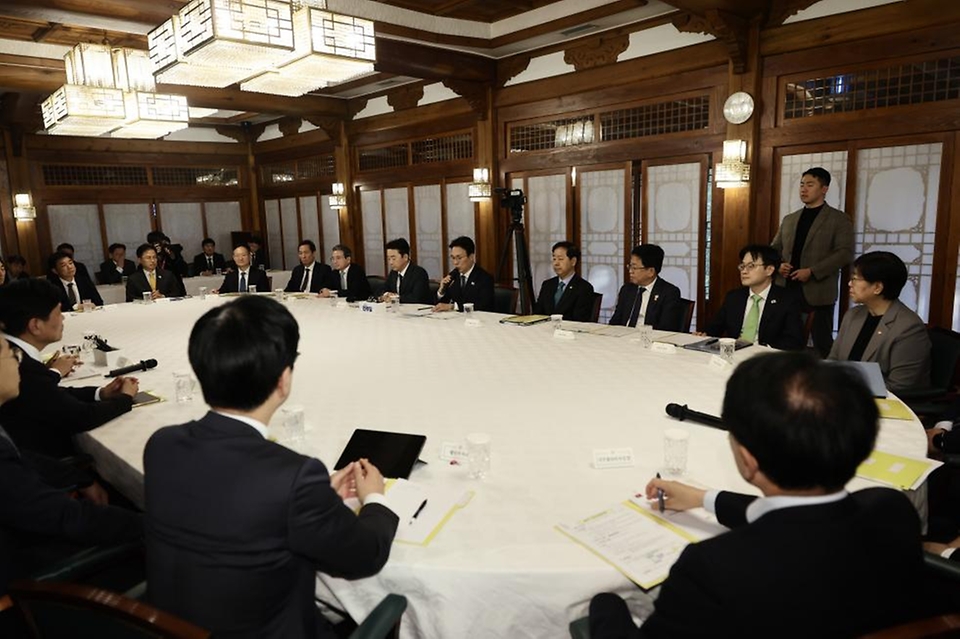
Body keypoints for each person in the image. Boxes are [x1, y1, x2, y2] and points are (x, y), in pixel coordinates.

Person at [589, 351, 928, 638]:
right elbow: (803, 520)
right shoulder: (892, 511)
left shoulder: (712, 569)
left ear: (748, 461)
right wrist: (704, 498)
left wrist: (605, 605)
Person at [144, 295, 399, 638]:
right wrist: (375, 500)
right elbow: (365, 556)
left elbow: (236, 503)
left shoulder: (161, 445)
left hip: (171, 627)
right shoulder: (294, 477)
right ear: (284, 381)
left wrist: (318, 500)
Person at [0, 336, 141, 600]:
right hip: (29, 583)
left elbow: (23, 458)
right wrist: (155, 525)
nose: (18, 365)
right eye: (12, 356)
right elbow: (67, 517)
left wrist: (80, 478)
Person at [0, 279, 138, 458]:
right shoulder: (16, 364)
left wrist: (100, 393)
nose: (63, 318)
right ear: (36, 325)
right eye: (58, 312)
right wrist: (125, 398)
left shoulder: (12, 350)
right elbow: (82, 417)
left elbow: (50, 394)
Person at [771, 167, 854, 357]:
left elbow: (844, 253)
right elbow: (774, 249)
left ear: (824, 189)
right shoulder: (790, 219)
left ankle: (825, 380)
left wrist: (812, 271)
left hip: (818, 291)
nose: (804, 189)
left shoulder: (838, 219)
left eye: (810, 185)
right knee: (784, 339)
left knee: (822, 343)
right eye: (802, 185)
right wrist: (779, 265)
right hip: (785, 288)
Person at [828, 251, 931, 393]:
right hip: (845, 395)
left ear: (877, 287)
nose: (849, 284)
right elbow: (834, 361)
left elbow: (900, 386)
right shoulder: (853, 315)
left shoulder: (908, 328)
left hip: (882, 403)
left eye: (856, 279)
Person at [702, 245, 804, 350]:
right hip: (734, 354)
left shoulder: (787, 300)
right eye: (742, 266)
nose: (744, 271)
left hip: (766, 360)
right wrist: (703, 334)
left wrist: (763, 350)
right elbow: (714, 329)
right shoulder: (734, 297)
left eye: (751, 266)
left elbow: (794, 341)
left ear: (769, 270)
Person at [609, 244, 683, 330]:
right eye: (630, 266)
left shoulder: (669, 293)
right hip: (622, 339)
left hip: (649, 340)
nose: (630, 271)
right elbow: (615, 322)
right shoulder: (627, 290)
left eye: (634, 268)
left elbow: (666, 329)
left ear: (651, 271)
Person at [533, 241, 595, 322]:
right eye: (554, 259)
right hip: (545, 331)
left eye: (560, 259)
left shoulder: (584, 288)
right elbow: (538, 314)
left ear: (573, 261)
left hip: (569, 333)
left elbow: (580, 321)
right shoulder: (547, 285)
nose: (556, 263)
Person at [434, 236, 494, 312]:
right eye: (453, 258)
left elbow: (483, 305)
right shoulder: (454, 276)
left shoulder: (484, 278)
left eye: (459, 258)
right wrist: (441, 291)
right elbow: (440, 305)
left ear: (471, 257)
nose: (455, 262)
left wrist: (454, 307)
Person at [381, 237, 432, 305]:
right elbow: (382, 289)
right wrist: (386, 294)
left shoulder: (419, 273)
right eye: (388, 259)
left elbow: (416, 298)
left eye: (393, 258)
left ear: (405, 257)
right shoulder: (393, 273)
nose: (390, 262)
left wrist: (395, 298)